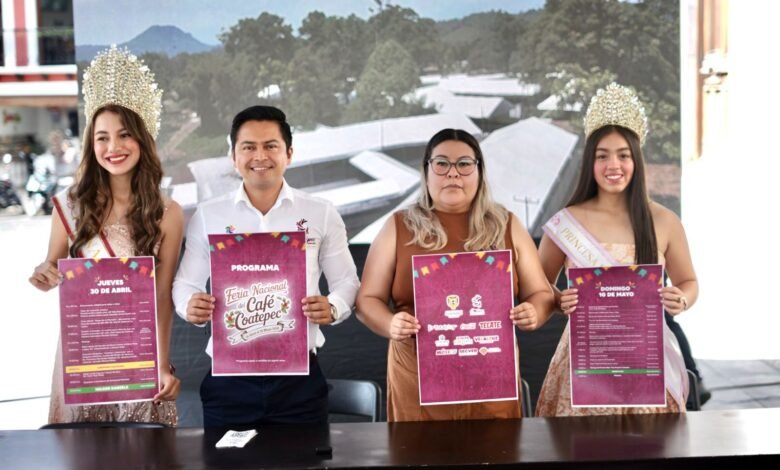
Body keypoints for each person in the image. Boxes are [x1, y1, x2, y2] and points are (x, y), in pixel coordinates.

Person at [173, 105, 359, 427]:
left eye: (270, 146)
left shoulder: (321, 213)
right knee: (227, 457)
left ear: (289, 153)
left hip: (299, 380)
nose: (260, 156)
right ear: (233, 157)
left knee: (303, 456)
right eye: (248, 147)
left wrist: (333, 307)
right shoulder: (208, 215)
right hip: (229, 380)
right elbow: (185, 284)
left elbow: (347, 281)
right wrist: (189, 305)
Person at [28, 46, 182, 425]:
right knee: (83, 450)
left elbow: (162, 297)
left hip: (139, 356)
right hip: (84, 357)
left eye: (124, 134)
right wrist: (44, 273)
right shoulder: (69, 206)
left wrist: (162, 364)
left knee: (142, 450)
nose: (113, 147)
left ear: (142, 138)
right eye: (102, 138)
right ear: (90, 144)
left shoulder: (168, 213)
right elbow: (52, 266)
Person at [356, 128, 554, 422]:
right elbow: (367, 300)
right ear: (426, 171)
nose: (453, 173)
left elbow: (541, 294)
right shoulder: (398, 226)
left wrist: (534, 312)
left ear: (479, 171)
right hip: (417, 382)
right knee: (420, 450)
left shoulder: (507, 224)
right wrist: (390, 323)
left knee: (495, 449)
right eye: (441, 163)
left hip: (491, 382)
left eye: (464, 163)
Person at [535, 83, 698, 417]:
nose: (614, 165)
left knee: (650, 444)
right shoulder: (566, 222)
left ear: (636, 159)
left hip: (647, 362)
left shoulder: (664, 221)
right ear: (590, 162)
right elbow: (536, 287)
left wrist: (681, 298)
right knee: (581, 445)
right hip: (583, 364)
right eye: (602, 156)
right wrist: (558, 300)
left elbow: (689, 282)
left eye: (623, 155)